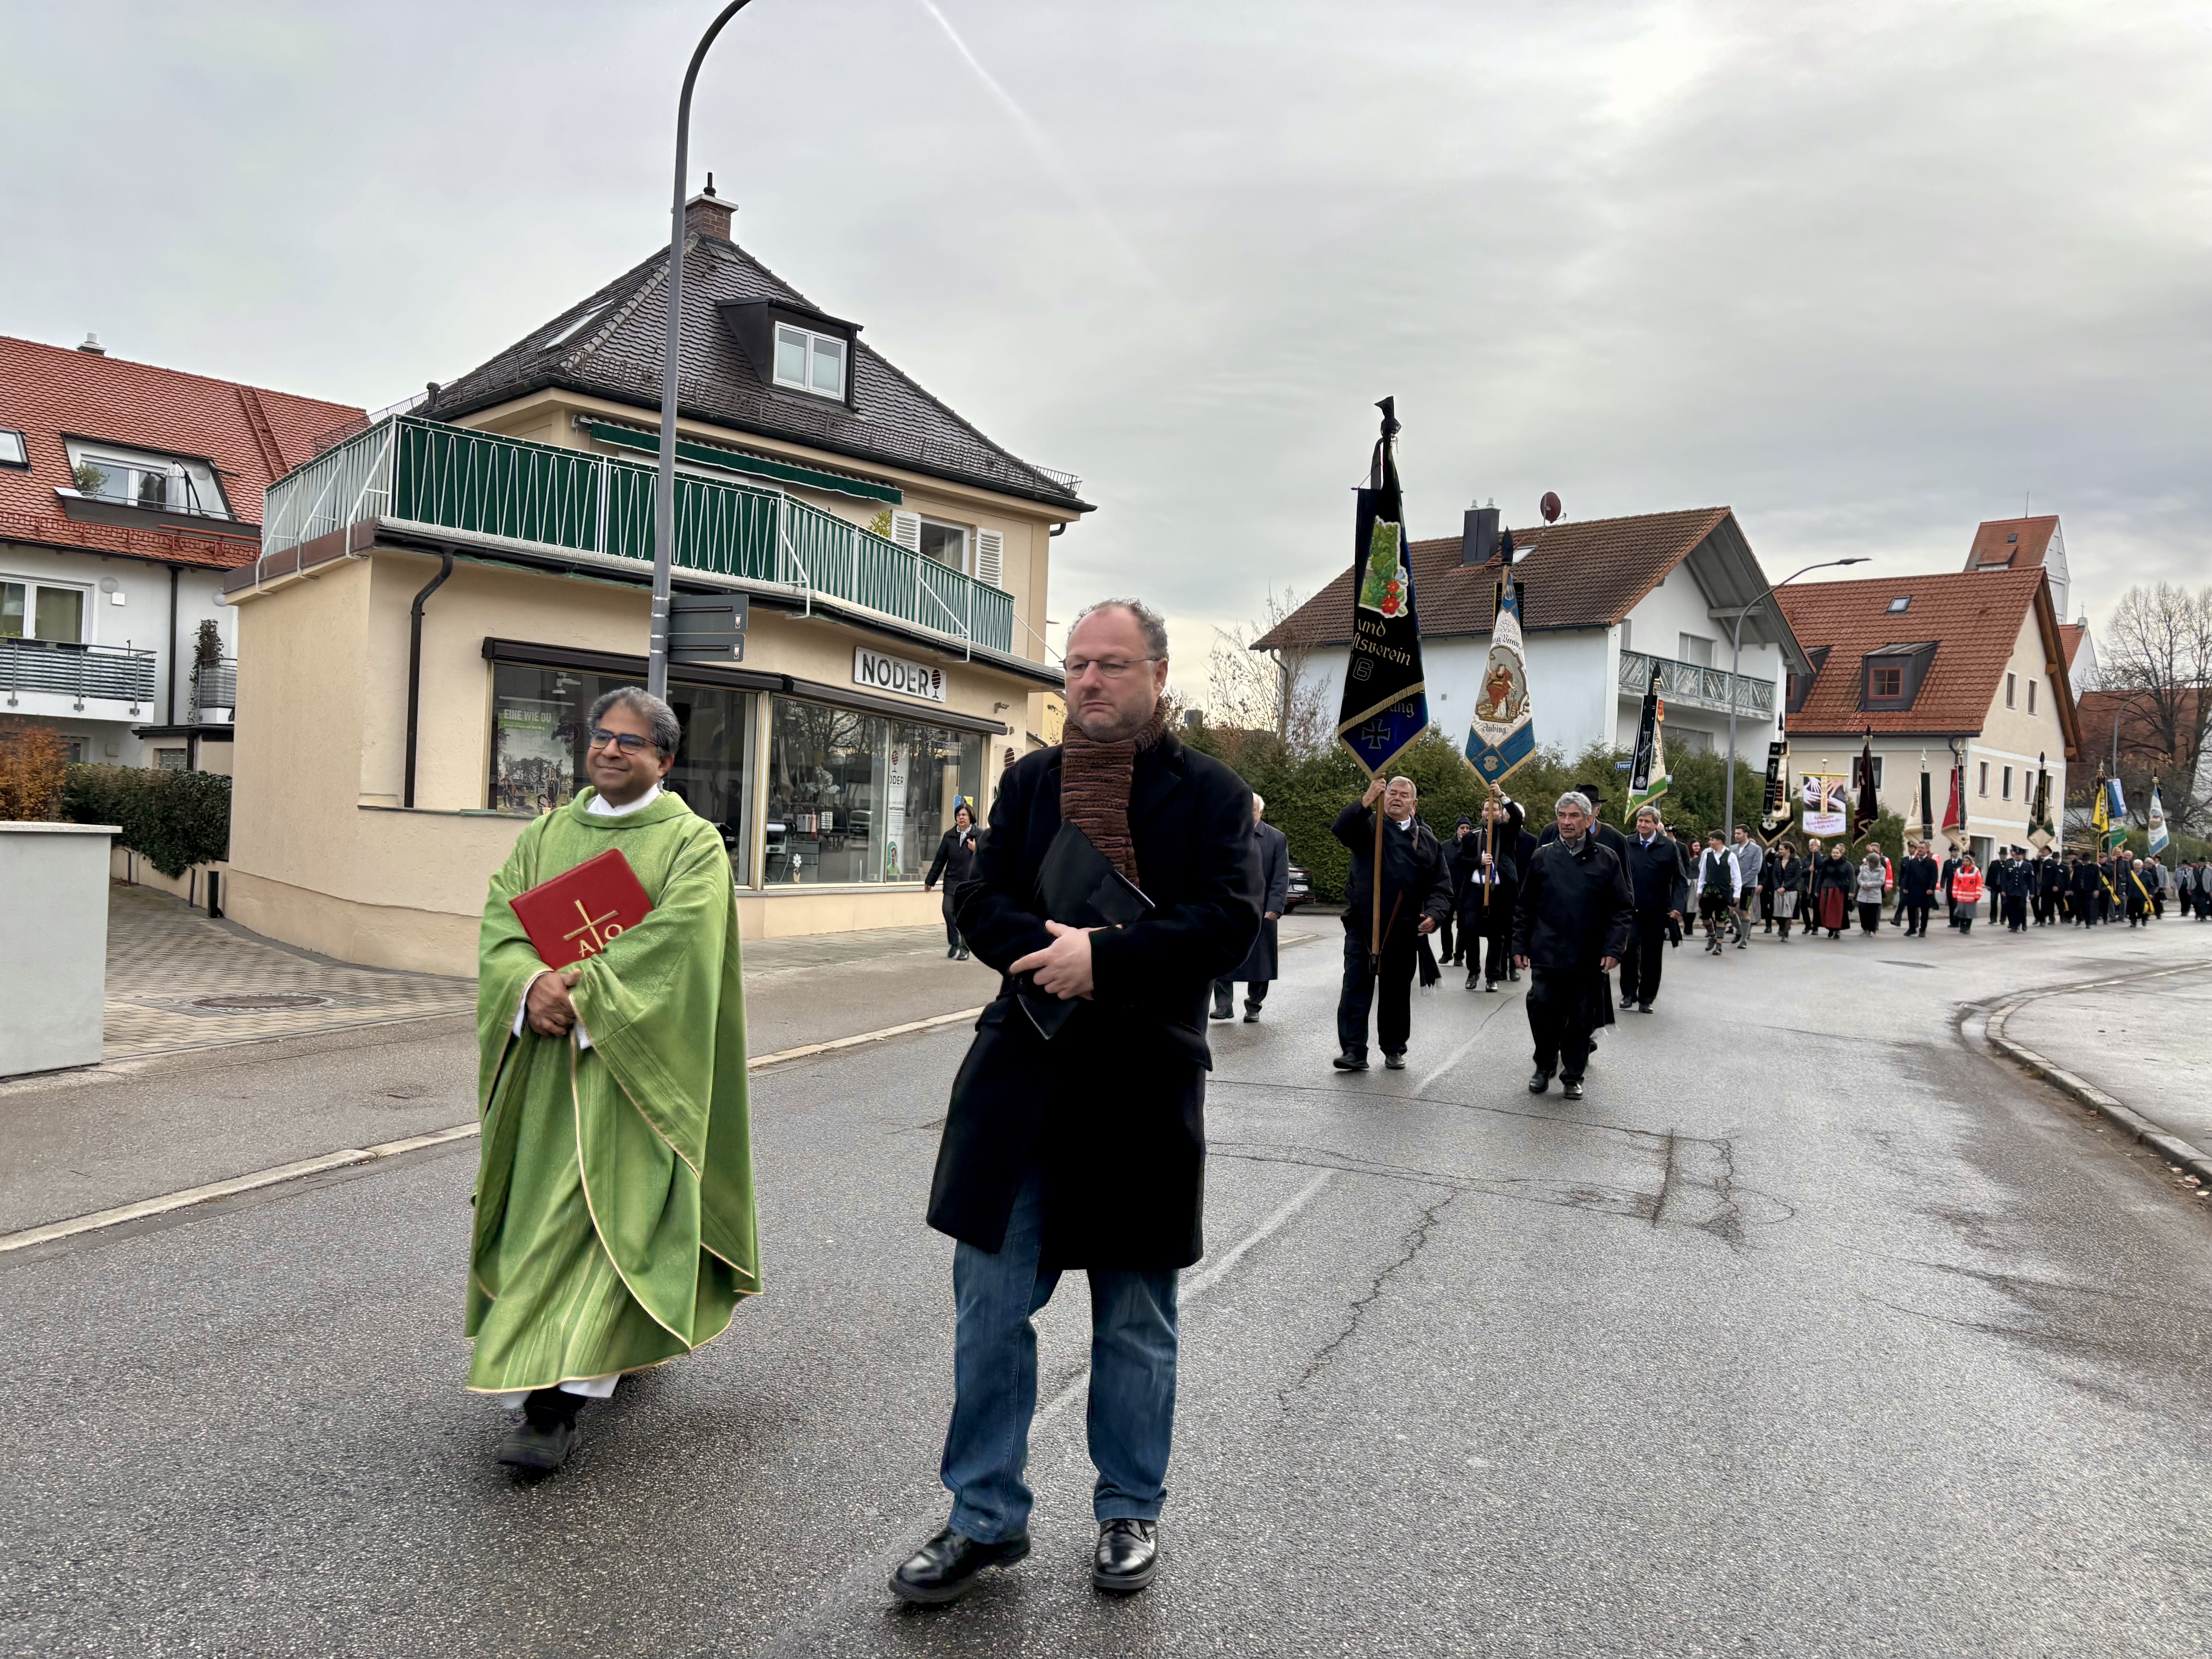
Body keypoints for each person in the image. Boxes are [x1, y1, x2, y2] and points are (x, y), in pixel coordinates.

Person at [895, 598, 1261, 1606]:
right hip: (1020, 1087)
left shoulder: (1215, 796)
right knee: (990, 1311)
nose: (1088, 682)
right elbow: (976, 897)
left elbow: (1225, 922)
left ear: (1157, 674)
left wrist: (1103, 955)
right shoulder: (1027, 783)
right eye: (1076, 666)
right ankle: (984, 1517)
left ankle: (1128, 1506)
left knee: (1137, 1319)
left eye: (1110, 664)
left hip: (1142, 1091)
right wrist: (1047, 954)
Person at [469, 687, 759, 1473]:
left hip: (630, 1076)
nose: (608, 749)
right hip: (545, 1074)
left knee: (600, 1225)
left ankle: (549, 1409)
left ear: (663, 758)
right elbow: (503, 919)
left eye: (630, 742)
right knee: (541, 1227)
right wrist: (529, 986)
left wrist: (583, 993)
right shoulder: (547, 833)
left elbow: (679, 947)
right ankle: (588, 1361)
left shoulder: (691, 845)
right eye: (600, 736)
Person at [1512, 791, 1633, 1102]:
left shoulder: (1607, 859)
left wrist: (1614, 949)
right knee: (1542, 1011)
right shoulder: (1542, 857)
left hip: (1587, 955)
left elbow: (1621, 908)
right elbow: (1526, 906)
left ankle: (1573, 1076)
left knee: (1581, 1019)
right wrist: (1519, 945)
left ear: (1589, 820)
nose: (1566, 822)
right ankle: (1544, 1066)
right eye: (1562, 816)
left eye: (1574, 816)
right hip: (1547, 952)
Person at [1331, 774, 1453, 1071]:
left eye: (1403, 795)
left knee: (1396, 993)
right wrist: (1366, 800)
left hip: (1403, 929)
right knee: (1356, 988)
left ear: (1414, 803)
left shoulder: (1426, 841)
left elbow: (1441, 887)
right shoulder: (1368, 827)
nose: (1396, 798)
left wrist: (1434, 915)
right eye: (1392, 793)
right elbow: (1342, 829)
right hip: (1363, 926)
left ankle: (1394, 1048)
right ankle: (1354, 1050)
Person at [1213, 793, 1289, 1023]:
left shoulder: (1276, 839)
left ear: (1261, 812)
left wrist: (1275, 908)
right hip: (1229, 908)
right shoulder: (1225, 835)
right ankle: (1224, 1007)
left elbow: (1281, 876)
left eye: (1253, 808)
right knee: (1221, 957)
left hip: (1262, 910)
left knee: (1261, 963)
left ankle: (1254, 1006)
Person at [1618, 804, 1688, 1011]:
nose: (1642, 824)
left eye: (1647, 821)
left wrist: (1678, 907)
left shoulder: (1668, 847)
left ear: (1656, 825)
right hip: (1630, 910)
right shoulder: (1627, 843)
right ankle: (1628, 994)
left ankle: (1647, 998)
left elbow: (1680, 879)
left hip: (1657, 911)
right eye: (1640, 821)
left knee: (1652, 955)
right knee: (1628, 951)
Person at [1455, 794, 1526, 993]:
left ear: (1500, 813)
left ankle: (1492, 977)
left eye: (1494, 810)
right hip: (1475, 893)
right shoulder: (1472, 837)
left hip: (1498, 894)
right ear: (1482, 813)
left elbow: (1517, 817)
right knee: (1470, 932)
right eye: (1487, 810)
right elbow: (1459, 860)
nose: (1489, 813)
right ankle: (1473, 972)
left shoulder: (1507, 834)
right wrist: (1479, 862)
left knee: (1497, 936)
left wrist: (1503, 797)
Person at [927, 802, 982, 959]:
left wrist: (976, 849)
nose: (961, 818)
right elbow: (940, 860)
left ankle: (965, 949)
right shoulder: (949, 836)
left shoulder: (980, 836)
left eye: (964, 815)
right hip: (951, 880)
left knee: (964, 916)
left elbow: (990, 858)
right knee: (948, 911)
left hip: (969, 882)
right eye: (959, 816)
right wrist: (931, 880)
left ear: (971, 817)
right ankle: (954, 942)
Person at [1694, 831, 1740, 955]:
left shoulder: (1730, 856)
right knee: (1705, 918)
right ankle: (1712, 936)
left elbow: (1737, 876)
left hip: (1723, 891)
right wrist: (1700, 889)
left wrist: (1737, 893)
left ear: (1719, 841)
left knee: (1721, 918)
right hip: (1708, 890)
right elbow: (1703, 874)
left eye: (1712, 840)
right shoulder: (1707, 855)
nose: (1710, 842)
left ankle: (1719, 945)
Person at [1730, 826, 1763, 951]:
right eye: (1736, 834)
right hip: (1733, 885)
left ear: (1746, 834)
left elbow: (1756, 869)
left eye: (1739, 833)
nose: (1737, 836)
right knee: (1730, 911)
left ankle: (1744, 939)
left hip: (1748, 885)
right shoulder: (1732, 849)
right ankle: (1739, 931)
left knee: (1744, 911)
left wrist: (1741, 882)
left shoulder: (1756, 849)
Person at [1813, 839, 1855, 939]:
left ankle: (1837, 930)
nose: (1835, 854)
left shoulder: (1847, 865)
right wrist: (1817, 890)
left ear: (1841, 854)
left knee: (1837, 912)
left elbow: (1852, 878)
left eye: (1837, 853)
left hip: (1839, 891)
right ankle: (1830, 929)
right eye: (1834, 853)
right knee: (1826, 911)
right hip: (1826, 890)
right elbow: (1820, 877)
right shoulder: (1826, 863)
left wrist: (1852, 891)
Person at [1899, 841, 1940, 936]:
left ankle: (1923, 930)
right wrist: (1905, 887)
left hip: (1926, 890)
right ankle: (1912, 928)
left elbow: (1934, 878)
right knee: (1911, 909)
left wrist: (1931, 889)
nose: (1921, 850)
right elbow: (1907, 876)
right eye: (1919, 848)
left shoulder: (1932, 863)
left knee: (1925, 911)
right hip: (1913, 889)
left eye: (1922, 848)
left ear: (1927, 850)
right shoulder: (1913, 862)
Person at [1768, 841, 1806, 940]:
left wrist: (1785, 887)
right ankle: (1782, 926)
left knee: (1788, 913)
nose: (1779, 851)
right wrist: (1778, 887)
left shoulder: (1797, 862)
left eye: (1781, 849)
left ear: (1788, 850)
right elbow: (1774, 875)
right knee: (1778, 913)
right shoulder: (1777, 861)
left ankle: (1786, 933)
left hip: (1791, 891)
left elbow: (1797, 877)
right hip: (1778, 890)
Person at [1855, 843, 1889, 934]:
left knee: (1873, 914)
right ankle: (1864, 928)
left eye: (1871, 862)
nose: (1870, 864)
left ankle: (1872, 930)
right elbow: (1859, 878)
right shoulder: (1864, 868)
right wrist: (1863, 885)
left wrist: (1869, 885)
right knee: (1862, 912)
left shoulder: (1882, 870)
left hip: (1874, 895)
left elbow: (1881, 882)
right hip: (1863, 894)